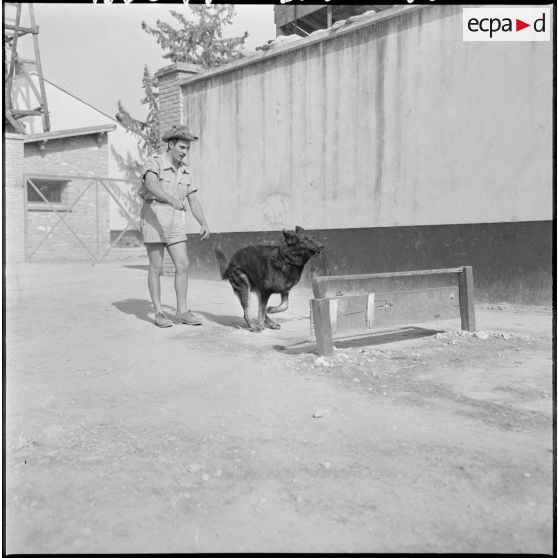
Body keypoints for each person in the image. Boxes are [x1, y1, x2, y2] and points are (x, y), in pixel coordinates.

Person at [139, 125, 210, 327]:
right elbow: (151, 185)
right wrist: (171, 200)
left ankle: (181, 312)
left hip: (175, 219)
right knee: (157, 267)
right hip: (154, 214)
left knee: (183, 264)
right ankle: (159, 313)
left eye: (187, 148)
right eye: (181, 147)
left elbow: (193, 200)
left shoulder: (185, 170)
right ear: (170, 144)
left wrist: (203, 222)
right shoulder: (155, 161)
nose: (184, 152)